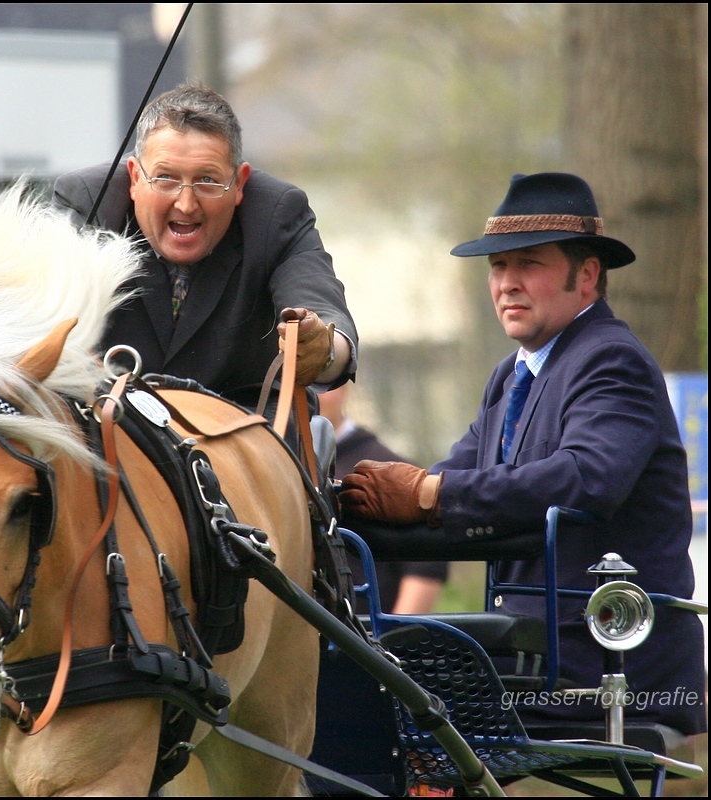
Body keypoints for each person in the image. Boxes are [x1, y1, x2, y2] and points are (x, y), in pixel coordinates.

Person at [339, 172, 706, 737]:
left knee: (364, 709)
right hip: (531, 657)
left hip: (610, 667)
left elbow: (587, 477)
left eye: (528, 264)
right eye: (497, 267)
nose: (506, 284)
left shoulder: (612, 360)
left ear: (586, 276)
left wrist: (426, 494)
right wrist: (338, 501)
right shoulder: (512, 375)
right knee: (350, 679)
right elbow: (452, 477)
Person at [52, 83, 357, 413]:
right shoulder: (86, 201)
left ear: (239, 183)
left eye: (207, 181)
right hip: (106, 421)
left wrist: (321, 348)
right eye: (166, 178)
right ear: (135, 179)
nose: (186, 204)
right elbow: (30, 320)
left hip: (243, 430)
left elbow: (327, 316)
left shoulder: (277, 212)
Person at [318, 384, 447, 614]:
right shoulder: (266, 465)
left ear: (344, 386)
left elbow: (423, 572)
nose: (311, 395)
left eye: (322, 384)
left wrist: (389, 643)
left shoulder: (392, 472)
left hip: (365, 639)